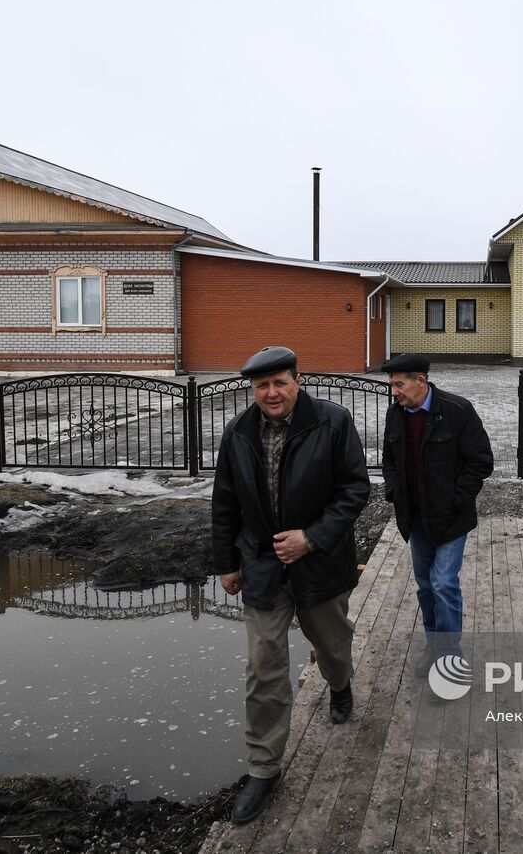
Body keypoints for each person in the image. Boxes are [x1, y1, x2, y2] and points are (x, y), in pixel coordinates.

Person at [211, 346, 370, 824]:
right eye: (262, 386)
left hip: (319, 564)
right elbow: (224, 501)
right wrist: (226, 563)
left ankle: (339, 685)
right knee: (264, 667)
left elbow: (355, 488)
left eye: (280, 382)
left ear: (297, 380)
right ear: (252, 390)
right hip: (261, 565)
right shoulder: (238, 432)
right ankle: (264, 768)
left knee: (332, 643)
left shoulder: (332, 422)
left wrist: (312, 538)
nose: (271, 393)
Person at [377, 354, 493, 674]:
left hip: (451, 518)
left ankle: (449, 655)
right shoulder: (396, 414)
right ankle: (434, 645)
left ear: (421, 382)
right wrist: (394, 491)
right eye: (392, 385)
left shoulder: (457, 411)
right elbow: (389, 458)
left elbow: (480, 462)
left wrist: (456, 500)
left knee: (443, 583)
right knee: (426, 586)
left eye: (399, 385)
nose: (394, 392)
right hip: (415, 518)